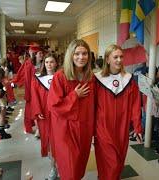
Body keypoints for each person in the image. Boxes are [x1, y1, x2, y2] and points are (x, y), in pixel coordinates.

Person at [47, 39, 95, 180]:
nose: (81, 57)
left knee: (80, 164)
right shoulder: (60, 76)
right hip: (66, 129)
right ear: (70, 55)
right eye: (77, 53)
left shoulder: (90, 78)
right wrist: (74, 95)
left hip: (84, 128)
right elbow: (54, 106)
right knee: (69, 166)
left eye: (85, 53)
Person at [94, 44, 143, 180]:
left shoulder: (129, 80)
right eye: (115, 57)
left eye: (121, 56)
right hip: (103, 126)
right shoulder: (97, 79)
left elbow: (135, 105)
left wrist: (137, 127)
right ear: (107, 59)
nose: (119, 60)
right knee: (111, 160)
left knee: (119, 160)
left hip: (122, 127)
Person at [30, 53, 58, 179]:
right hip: (45, 115)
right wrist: (37, 111)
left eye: (52, 62)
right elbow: (34, 96)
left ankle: (59, 167)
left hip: (59, 114)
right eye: (47, 62)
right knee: (49, 143)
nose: (49, 64)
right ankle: (54, 168)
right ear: (43, 63)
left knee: (59, 142)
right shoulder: (37, 78)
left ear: (56, 63)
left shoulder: (61, 77)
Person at [12, 45, 44, 134]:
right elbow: (27, 79)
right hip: (32, 91)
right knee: (33, 110)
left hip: (42, 90)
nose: (42, 55)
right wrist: (29, 93)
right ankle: (36, 128)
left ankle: (40, 127)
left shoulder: (43, 63)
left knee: (40, 109)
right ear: (35, 54)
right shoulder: (29, 64)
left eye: (42, 53)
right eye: (40, 53)